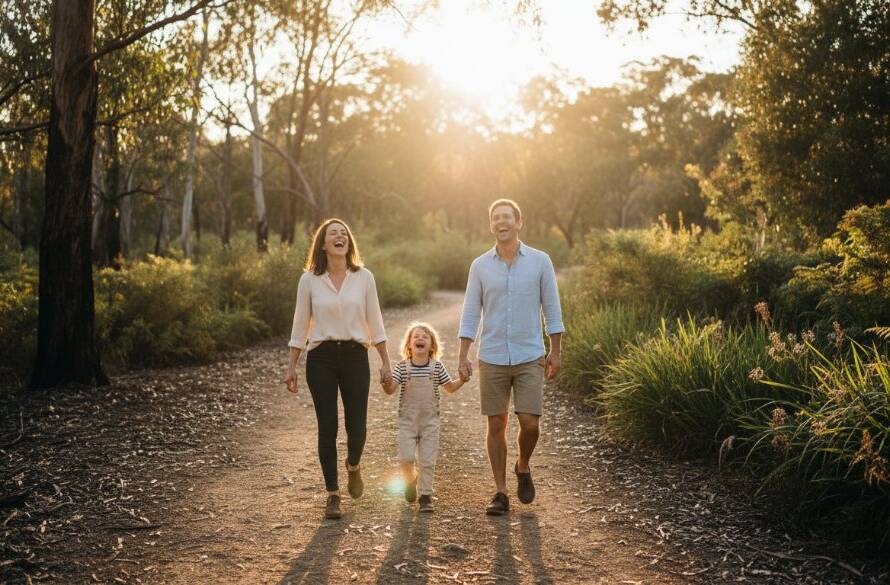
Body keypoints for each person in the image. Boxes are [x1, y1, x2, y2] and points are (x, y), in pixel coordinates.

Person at [458, 198, 564, 516]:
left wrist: (556, 350)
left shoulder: (540, 261)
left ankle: (522, 464)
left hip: (530, 353)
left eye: (507, 217)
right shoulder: (480, 266)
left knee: (530, 423)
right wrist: (463, 355)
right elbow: (469, 313)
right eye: (495, 218)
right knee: (496, 424)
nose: (501, 222)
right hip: (491, 356)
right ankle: (501, 492)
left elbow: (552, 308)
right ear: (491, 225)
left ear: (519, 222)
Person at [285, 218, 393, 520]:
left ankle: (353, 465)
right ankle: (333, 494)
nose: (339, 236)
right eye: (333, 233)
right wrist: (291, 366)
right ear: (323, 244)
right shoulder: (309, 280)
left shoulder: (364, 277)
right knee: (328, 426)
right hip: (321, 358)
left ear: (349, 243)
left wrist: (385, 361)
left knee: (357, 427)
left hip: (356, 356)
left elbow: (376, 322)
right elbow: (299, 325)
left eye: (343, 233)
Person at [382, 322, 466, 513]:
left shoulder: (437, 367)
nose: (420, 338)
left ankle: (426, 496)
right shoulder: (402, 367)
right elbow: (390, 390)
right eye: (416, 336)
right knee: (406, 458)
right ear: (409, 345)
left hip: (430, 422)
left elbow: (450, 388)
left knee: (428, 461)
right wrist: (385, 382)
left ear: (432, 346)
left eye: (425, 337)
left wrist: (463, 379)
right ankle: (410, 480)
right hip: (407, 422)